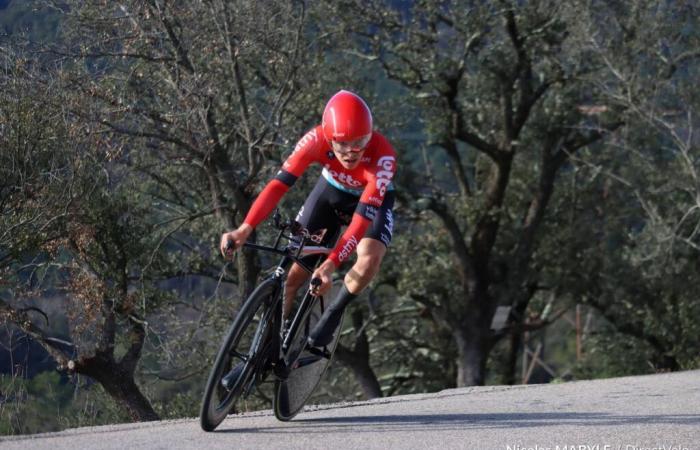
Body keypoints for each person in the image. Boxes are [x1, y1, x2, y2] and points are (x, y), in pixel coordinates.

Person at [220, 89, 397, 353]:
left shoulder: (383, 157)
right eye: (342, 143)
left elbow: (359, 223)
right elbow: (278, 186)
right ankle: (264, 350)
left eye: (360, 141)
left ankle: (335, 311)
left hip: (372, 201)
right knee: (293, 276)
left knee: (369, 258)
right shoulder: (314, 140)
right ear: (328, 138)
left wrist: (330, 265)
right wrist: (245, 228)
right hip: (331, 192)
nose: (351, 151)